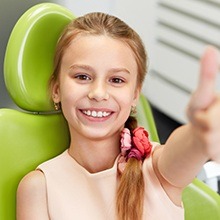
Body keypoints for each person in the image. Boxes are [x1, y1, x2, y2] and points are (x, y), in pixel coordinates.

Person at [16, 12, 220, 220]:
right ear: (56, 89)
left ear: (134, 95)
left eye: (116, 80)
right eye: (82, 76)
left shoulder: (157, 169)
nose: (98, 93)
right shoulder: (39, 189)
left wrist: (199, 134)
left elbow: (183, 152)